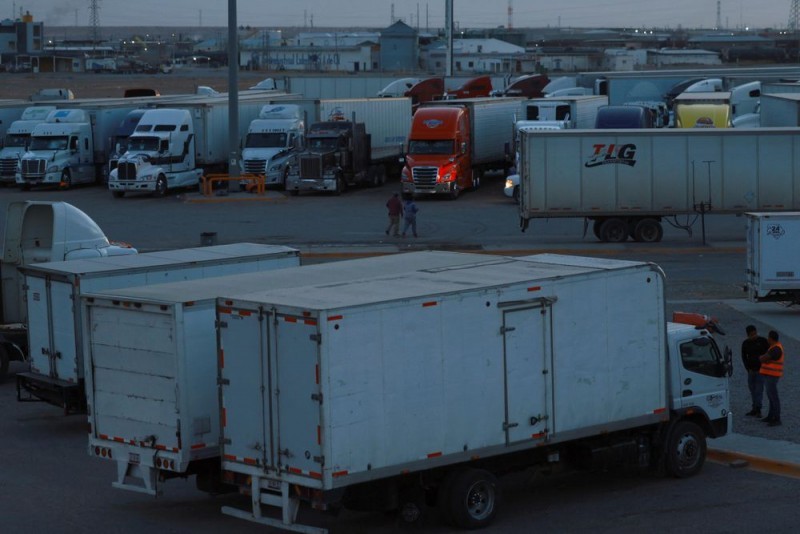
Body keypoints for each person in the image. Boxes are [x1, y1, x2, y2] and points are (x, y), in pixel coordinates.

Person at [741, 325, 769, 417]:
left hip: (761, 370)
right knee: (752, 390)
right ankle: (754, 408)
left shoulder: (763, 341)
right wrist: (747, 368)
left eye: (755, 333)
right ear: (748, 335)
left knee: (759, 390)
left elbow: (769, 354)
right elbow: (744, 357)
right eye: (752, 334)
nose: (754, 335)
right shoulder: (745, 344)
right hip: (751, 371)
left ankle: (758, 409)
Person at [759, 330, 784, 427]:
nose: (767, 339)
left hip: (772, 375)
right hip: (770, 375)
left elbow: (763, 359)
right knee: (771, 396)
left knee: (773, 397)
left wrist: (763, 358)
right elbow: (766, 358)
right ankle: (771, 416)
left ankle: (776, 418)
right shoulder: (774, 347)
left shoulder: (776, 349)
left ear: (771, 338)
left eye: (768, 337)